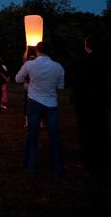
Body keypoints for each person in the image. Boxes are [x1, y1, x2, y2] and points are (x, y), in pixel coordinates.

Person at [15, 41, 65, 176]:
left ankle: (30, 165)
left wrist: (30, 82)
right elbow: (60, 87)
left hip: (34, 103)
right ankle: (57, 167)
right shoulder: (58, 67)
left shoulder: (30, 65)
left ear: (37, 51)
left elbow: (18, 79)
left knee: (32, 135)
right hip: (51, 104)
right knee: (54, 136)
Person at [73, 35, 111, 173]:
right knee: (101, 130)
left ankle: (89, 161)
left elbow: (78, 82)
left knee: (87, 132)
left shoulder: (83, 61)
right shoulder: (106, 61)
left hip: (86, 102)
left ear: (87, 46)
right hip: (101, 101)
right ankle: (104, 159)